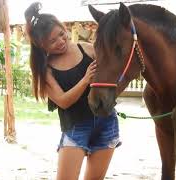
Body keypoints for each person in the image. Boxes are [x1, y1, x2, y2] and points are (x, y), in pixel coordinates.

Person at [24, 2, 121, 180]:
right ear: (41, 45)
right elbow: (63, 101)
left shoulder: (87, 48)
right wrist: (85, 80)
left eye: (62, 34)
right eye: (52, 41)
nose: (61, 42)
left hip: (106, 123)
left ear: (64, 28)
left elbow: (111, 76)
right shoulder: (45, 69)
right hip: (76, 128)